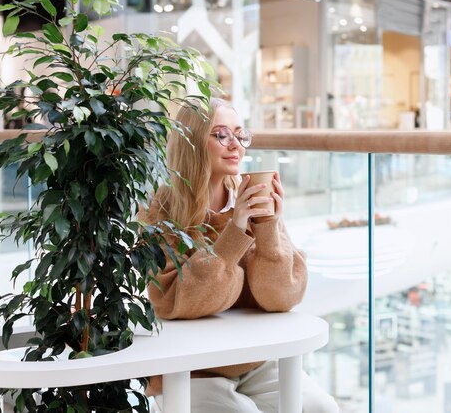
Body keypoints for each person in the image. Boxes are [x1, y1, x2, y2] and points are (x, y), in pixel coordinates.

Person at [138, 98, 338, 413]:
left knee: (321, 407)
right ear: (191, 142)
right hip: (191, 366)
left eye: (239, 134)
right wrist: (235, 230)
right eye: (221, 135)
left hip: (252, 358)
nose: (236, 146)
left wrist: (269, 226)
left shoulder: (250, 199)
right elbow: (173, 302)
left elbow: (282, 297)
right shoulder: (162, 209)